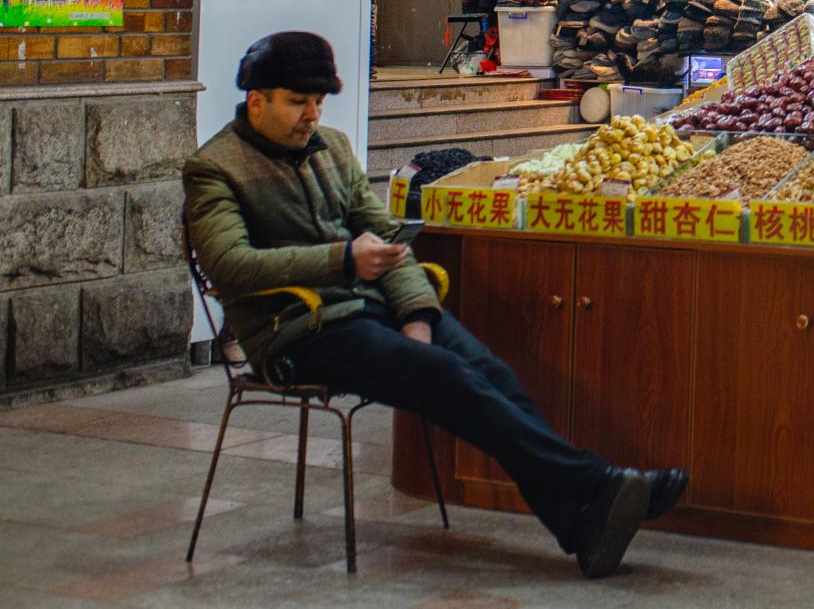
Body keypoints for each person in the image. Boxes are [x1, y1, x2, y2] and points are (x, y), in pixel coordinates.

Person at [183, 32, 686, 578]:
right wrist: (342, 260)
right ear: (257, 100)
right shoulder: (216, 167)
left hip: (369, 309)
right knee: (448, 377)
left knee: (490, 371)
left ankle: (580, 520)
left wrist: (416, 314)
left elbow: (387, 237)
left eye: (319, 102)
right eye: (297, 102)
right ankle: (596, 484)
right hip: (295, 332)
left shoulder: (332, 148)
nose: (312, 115)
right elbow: (231, 264)